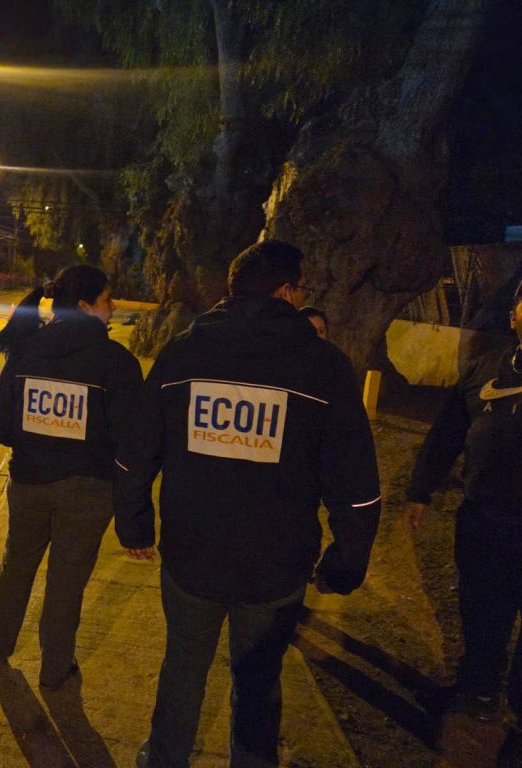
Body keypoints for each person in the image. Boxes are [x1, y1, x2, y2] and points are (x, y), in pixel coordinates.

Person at [115, 240, 381, 768]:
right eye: (301, 288)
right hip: (275, 566)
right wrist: (345, 562)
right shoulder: (324, 368)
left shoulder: (183, 354)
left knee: (183, 666)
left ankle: (165, 758)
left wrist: (134, 524)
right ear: (285, 291)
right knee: (258, 680)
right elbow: (355, 482)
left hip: (191, 556)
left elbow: (135, 452)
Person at [0, 264, 144, 689]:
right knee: (67, 582)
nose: (113, 307)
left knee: (17, 563)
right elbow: (131, 438)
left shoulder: (26, 350)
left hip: (29, 483)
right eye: (107, 300)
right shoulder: (116, 362)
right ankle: (55, 667)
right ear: (86, 306)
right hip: (88, 491)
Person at [405, 290, 522, 766]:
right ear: (514, 316)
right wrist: (420, 490)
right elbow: (447, 432)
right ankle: (477, 691)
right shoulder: (485, 370)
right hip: (484, 521)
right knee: (481, 610)